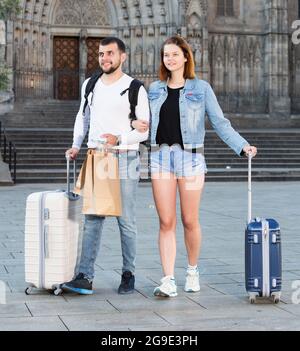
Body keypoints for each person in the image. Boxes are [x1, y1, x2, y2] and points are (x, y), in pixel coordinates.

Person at [132, 35, 257, 297]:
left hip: (191, 159)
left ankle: (192, 270)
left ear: (186, 57)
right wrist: (135, 125)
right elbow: (142, 121)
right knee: (166, 221)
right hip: (160, 158)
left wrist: (242, 145)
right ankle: (168, 279)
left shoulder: (201, 89)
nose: (170, 59)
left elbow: (220, 122)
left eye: (175, 54)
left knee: (190, 220)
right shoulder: (153, 89)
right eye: (166, 55)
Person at [62, 37, 150, 295]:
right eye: (101, 54)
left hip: (125, 157)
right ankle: (84, 276)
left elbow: (143, 132)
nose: (104, 58)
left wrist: (120, 137)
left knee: (126, 220)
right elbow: (83, 117)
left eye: (110, 53)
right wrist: (76, 145)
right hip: (97, 156)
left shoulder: (135, 88)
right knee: (93, 219)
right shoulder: (90, 85)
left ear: (123, 56)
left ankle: (128, 273)